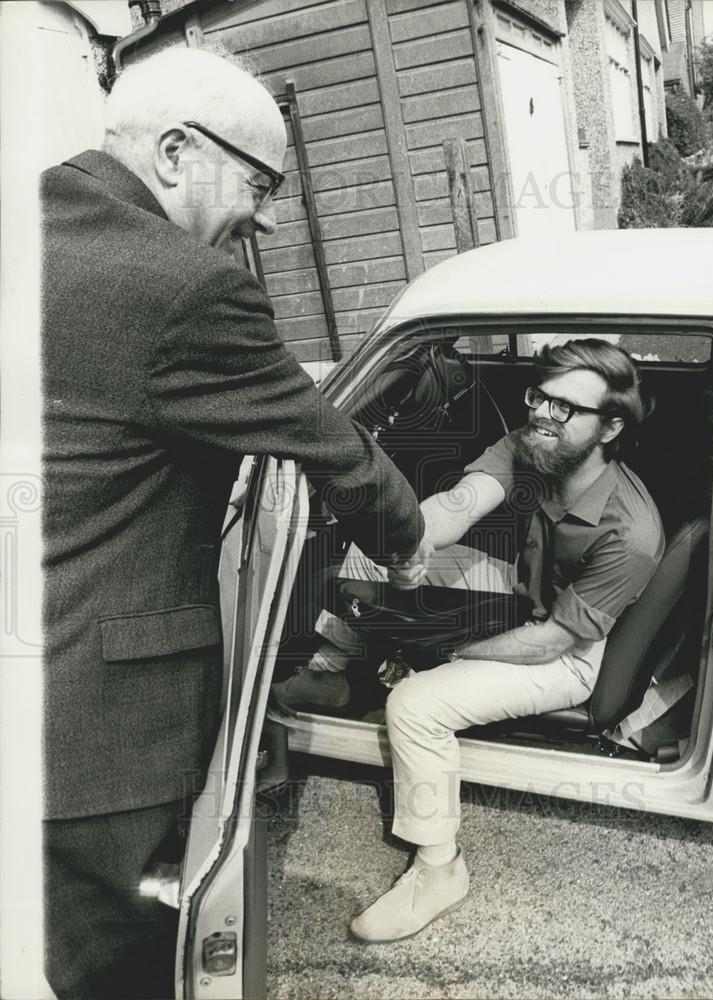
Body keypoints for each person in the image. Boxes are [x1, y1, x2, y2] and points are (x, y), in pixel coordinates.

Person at [40, 47, 427, 998]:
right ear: (176, 151)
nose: (262, 214)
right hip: (96, 732)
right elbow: (332, 449)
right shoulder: (184, 286)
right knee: (120, 968)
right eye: (260, 182)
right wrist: (408, 538)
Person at [273, 339, 665, 943]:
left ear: (610, 427)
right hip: (525, 592)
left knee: (415, 704)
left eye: (566, 407)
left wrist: (441, 654)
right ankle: (327, 676)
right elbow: (458, 505)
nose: (542, 414)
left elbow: (550, 643)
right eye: (540, 396)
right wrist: (408, 540)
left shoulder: (631, 532)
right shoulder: (538, 445)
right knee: (377, 553)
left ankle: (439, 868)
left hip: (571, 653)